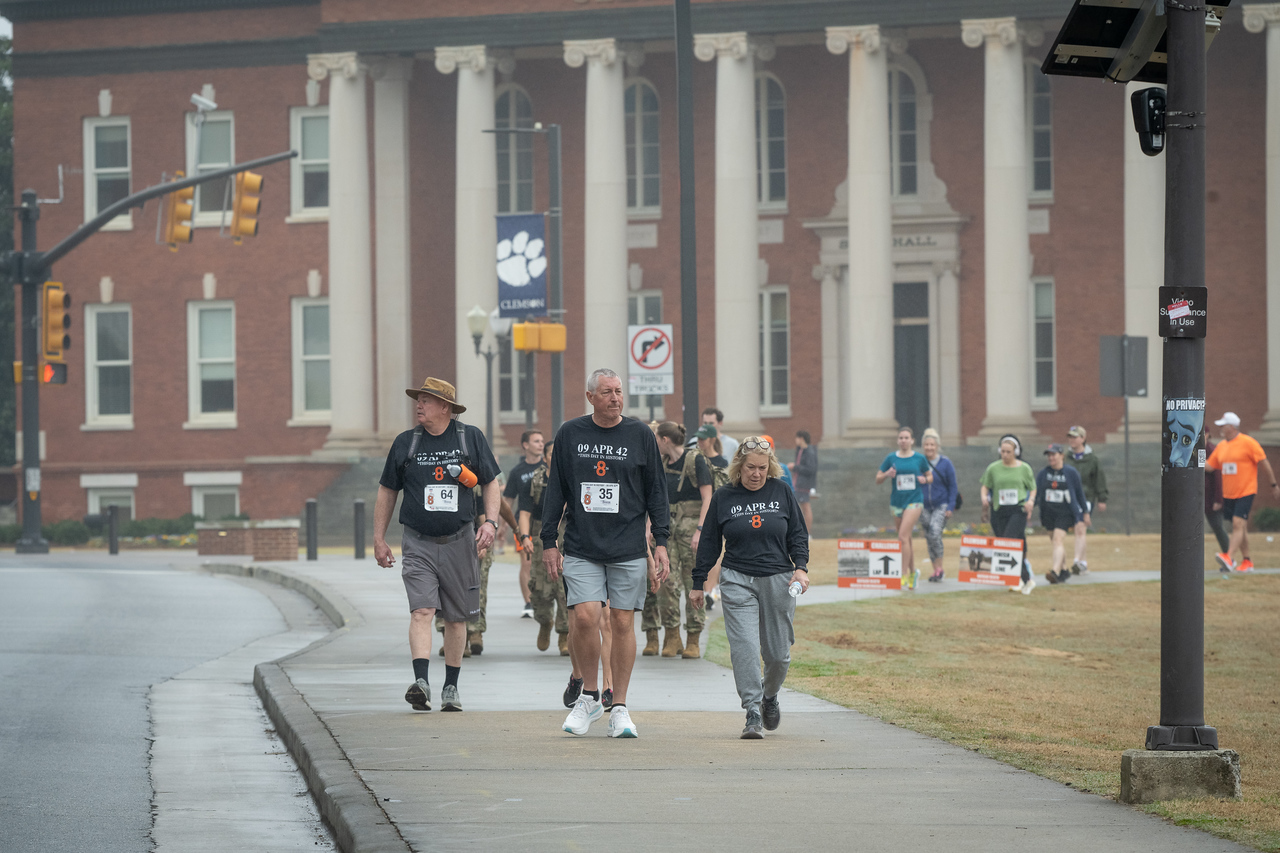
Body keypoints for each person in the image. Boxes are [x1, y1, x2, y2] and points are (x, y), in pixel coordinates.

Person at [541, 368, 671, 738]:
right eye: (607, 392)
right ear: (590, 397)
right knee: (584, 618)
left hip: (628, 545)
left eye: (619, 391)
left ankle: (621, 707)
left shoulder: (640, 434)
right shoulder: (570, 434)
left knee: (622, 622)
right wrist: (548, 541)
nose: (615, 398)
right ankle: (590, 696)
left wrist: (660, 542)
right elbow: (557, 491)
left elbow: (656, 492)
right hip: (582, 544)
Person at [374, 378, 501, 714]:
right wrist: (379, 538)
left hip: (460, 541)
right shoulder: (406, 443)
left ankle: (450, 687)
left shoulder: (469, 437)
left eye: (427, 400)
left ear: (445, 407)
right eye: (419, 400)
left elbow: (490, 483)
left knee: (457, 618)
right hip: (417, 541)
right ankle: (421, 682)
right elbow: (388, 491)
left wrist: (490, 522)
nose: (419, 405)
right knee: (422, 611)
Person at [692, 437, 809, 738]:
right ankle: (753, 711)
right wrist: (698, 583)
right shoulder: (724, 496)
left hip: (778, 579)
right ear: (739, 467)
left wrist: (801, 569)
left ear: (769, 467)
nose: (756, 474)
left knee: (778, 654)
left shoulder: (781, 490)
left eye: (762, 467)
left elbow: (797, 533)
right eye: (750, 468)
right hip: (737, 578)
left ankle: (770, 695)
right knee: (744, 648)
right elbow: (708, 542)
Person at [641, 422, 712, 659]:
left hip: (692, 527)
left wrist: (701, 530)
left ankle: (694, 638)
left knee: (693, 581)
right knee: (666, 581)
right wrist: (650, 526)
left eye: (656, 439)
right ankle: (672, 636)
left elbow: (708, 497)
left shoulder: (695, 460)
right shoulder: (661, 463)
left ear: (665, 440)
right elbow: (655, 499)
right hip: (667, 527)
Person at [1206, 411, 1279, 574]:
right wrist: (1190, 460)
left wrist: (1273, 484)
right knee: (1241, 527)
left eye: (1223, 426)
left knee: (1238, 524)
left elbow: (1264, 463)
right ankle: (1247, 561)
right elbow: (1210, 466)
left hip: (1246, 491)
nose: (1221, 429)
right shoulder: (1222, 446)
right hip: (1229, 494)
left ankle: (1229, 557)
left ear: (1231, 427)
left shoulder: (1248, 443)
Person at [519, 440, 569, 656]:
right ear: (546, 457)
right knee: (539, 586)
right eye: (552, 453)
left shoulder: (571, 476)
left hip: (569, 533)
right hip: (541, 533)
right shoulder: (535, 480)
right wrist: (525, 537)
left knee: (566, 587)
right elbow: (524, 511)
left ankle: (564, 633)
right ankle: (545, 621)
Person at [875, 426, 932, 590]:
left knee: (902, 536)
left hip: (914, 501)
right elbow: (878, 478)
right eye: (901, 438)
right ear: (897, 440)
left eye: (906, 438)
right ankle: (913, 572)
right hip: (897, 502)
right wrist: (887, 474)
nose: (903, 441)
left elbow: (930, 476)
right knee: (906, 540)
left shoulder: (919, 458)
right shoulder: (891, 458)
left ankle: (903, 574)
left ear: (912, 440)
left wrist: (924, 480)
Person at [979, 435, 1037, 595]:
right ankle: (1026, 579)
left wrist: (1030, 500)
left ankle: (1018, 580)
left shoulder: (1024, 468)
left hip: (1018, 509)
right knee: (1008, 544)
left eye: (1008, 452)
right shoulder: (993, 468)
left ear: (1015, 452)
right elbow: (985, 485)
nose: (1005, 455)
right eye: (1002, 451)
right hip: (999, 510)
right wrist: (984, 497)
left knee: (1008, 542)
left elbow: (1032, 487)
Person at [504, 429, 544, 619]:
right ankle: (529, 603)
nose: (540, 444)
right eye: (536, 441)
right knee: (526, 563)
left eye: (542, 441)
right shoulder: (517, 472)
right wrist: (502, 525)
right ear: (525, 445)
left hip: (547, 524)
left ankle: (549, 600)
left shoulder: (549, 467)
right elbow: (508, 501)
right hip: (524, 523)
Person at [1035, 444, 1087, 585]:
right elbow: (1037, 493)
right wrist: (1028, 506)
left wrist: (1084, 513)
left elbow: (1079, 494)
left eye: (1054, 454)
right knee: (1055, 542)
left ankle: (1055, 571)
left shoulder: (1070, 472)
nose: (1051, 458)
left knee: (1058, 540)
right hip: (1048, 513)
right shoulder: (1043, 473)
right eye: (1049, 455)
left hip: (1065, 512)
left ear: (1061, 456)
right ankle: (1063, 571)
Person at [1064, 426, 1108, 575]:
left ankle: (1077, 561)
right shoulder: (1065, 458)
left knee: (1080, 528)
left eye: (1075, 437)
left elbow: (1099, 479)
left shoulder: (1092, 459)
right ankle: (1083, 562)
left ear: (1083, 438)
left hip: (1086, 498)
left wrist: (1102, 498)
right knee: (1072, 530)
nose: (1072, 440)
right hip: (1068, 498)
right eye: (1070, 437)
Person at [919, 428, 958, 582]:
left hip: (941, 503)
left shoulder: (945, 463)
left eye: (932, 445)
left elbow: (953, 486)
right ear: (923, 446)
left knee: (935, 532)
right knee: (929, 537)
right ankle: (935, 570)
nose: (929, 448)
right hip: (923, 506)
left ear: (937, 446)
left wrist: (950, 506)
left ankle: (940, 567)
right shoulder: (919, 462)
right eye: (927, 445)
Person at [1205, 434, 1231, 556]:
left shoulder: (1212, 449)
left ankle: (1229, 555)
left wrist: (1218, 499)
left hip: (1211, 497)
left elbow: (1217, 476)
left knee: (1217, 526)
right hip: (1199, 495)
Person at [790, 431, 819, 533]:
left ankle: (807, 533)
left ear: (801, 438)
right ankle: (802, 532)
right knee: (800, 508)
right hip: (797, 483)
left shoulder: (809, 452)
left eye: (797, 438)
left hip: (804, 484)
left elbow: (810, 469)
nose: (795, 440)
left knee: (806, 507)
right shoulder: (800, 450)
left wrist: (795, 467)